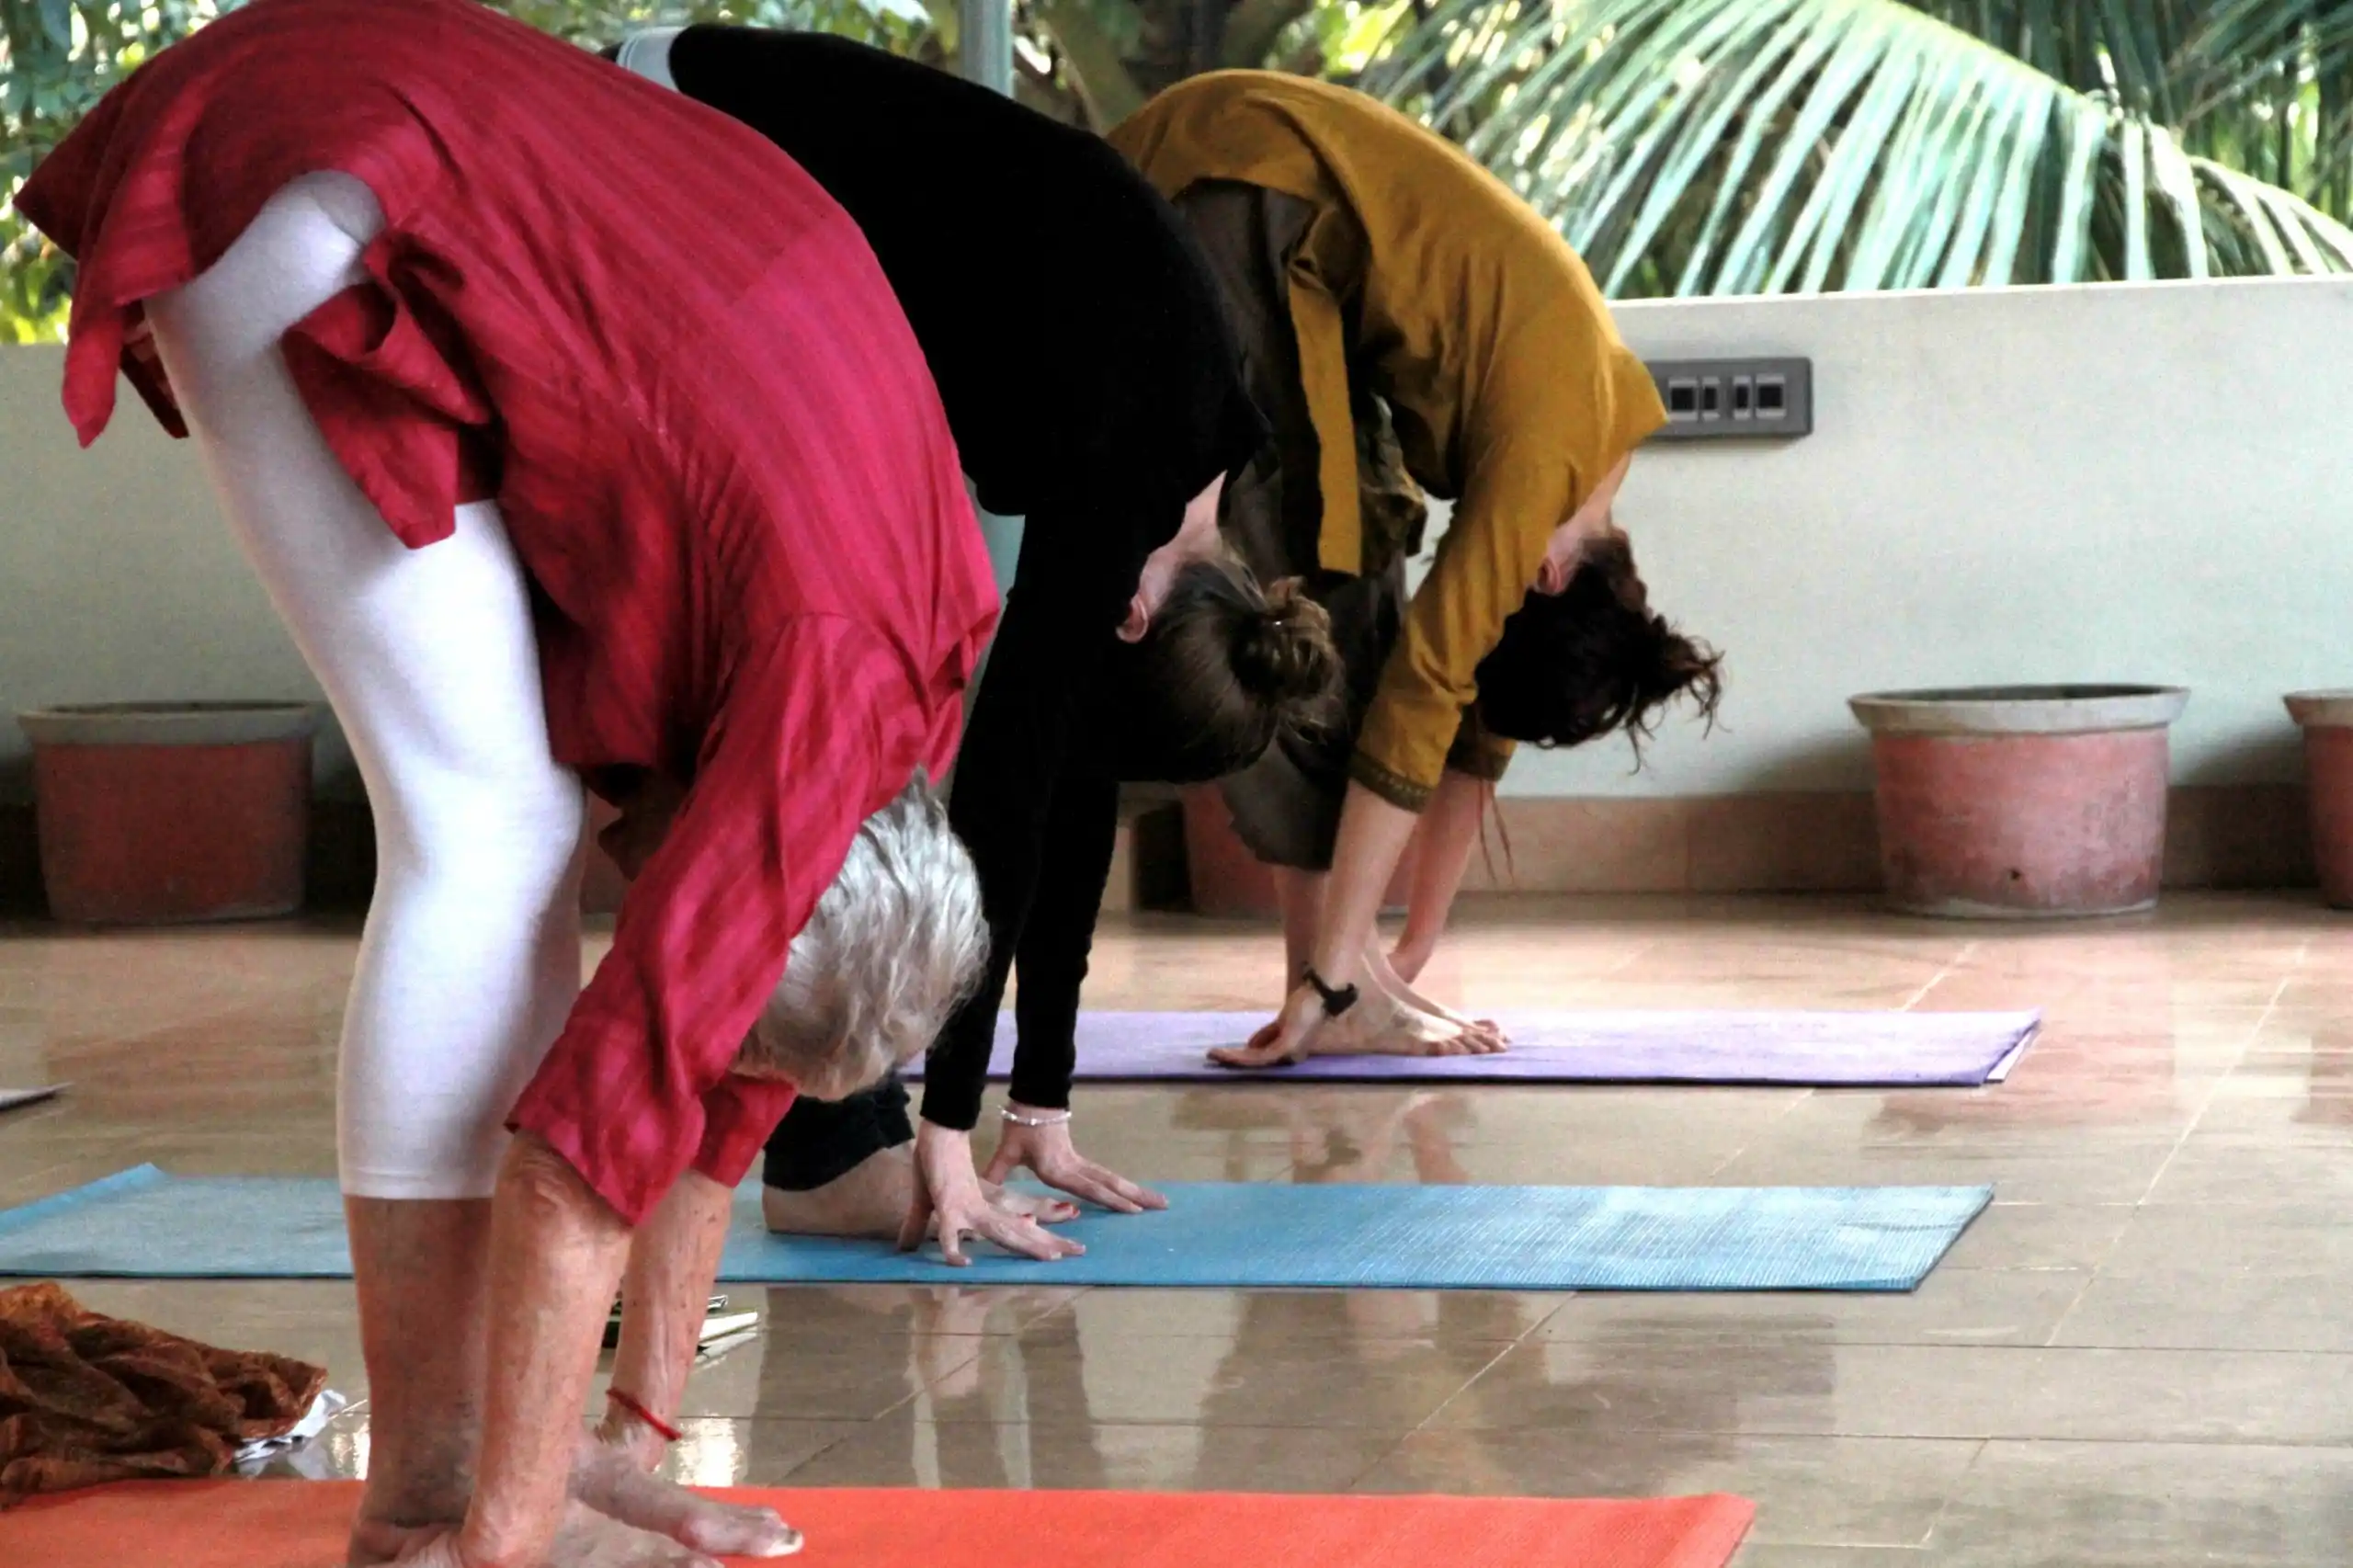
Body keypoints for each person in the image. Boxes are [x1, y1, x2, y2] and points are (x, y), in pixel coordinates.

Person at [14, 2, 1009, 1563]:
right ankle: (431, 1495)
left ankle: (492, 1472)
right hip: (324, 167)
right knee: (485, 834)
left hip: (398, 125)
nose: (646, 892)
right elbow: (577, 1164)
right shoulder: (815, 713)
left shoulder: (913, 707)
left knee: (516, 830)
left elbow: (714, 1097)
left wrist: (642, 1438)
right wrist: (508, 1543)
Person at [605, 28, 1339, 1266]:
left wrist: (1038, 1100)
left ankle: (829, 1141)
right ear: (1130, 620)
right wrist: (950, 1129)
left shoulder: (1189, 467)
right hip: (672, 135)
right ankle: (821, 1145)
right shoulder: (1141, 450)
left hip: (721, 164)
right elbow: (1004, 801)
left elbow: (1069, 795)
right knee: (842, 686)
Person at [1108, 71, 1723, 1069]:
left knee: (1361, 543)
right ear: (1546, 581)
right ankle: (1326, 983)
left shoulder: (1585, 481)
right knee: (1304, 583)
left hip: (1286, 224)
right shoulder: (1541, 470)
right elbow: (1430, 688)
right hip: (1236, 185)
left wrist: (1414, 946)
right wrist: (1340, 977)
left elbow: (1476, 718)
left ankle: (1343, 977)